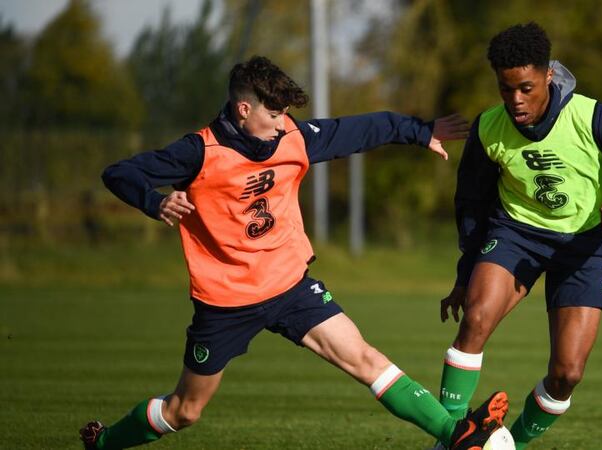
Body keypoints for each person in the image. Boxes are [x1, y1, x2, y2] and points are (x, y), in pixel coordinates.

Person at [80, 56, 510, 450]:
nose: (282, 122)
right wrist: (154, 202)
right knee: (185, 411)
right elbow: (119, 172)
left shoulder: (292, 136)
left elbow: (358, 130)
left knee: (364, 358)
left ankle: (460, 438)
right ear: (243, 109)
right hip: (226, 302)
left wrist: (421, 131)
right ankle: (105, 442)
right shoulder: (198, 152)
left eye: (285, 112)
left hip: (290, 285)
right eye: (273, 113)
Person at [436, 23, 602, 449]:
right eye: (505, 89)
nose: (515, 100)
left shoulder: (589, 115)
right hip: (516, 232)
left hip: (586, 244)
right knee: (474, 319)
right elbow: (471, 208)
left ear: (549, 75)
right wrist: (463, 274)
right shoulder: (489, 128)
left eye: (525, 88)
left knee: (567, 373)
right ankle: (449, 437)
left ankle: (512, 444)